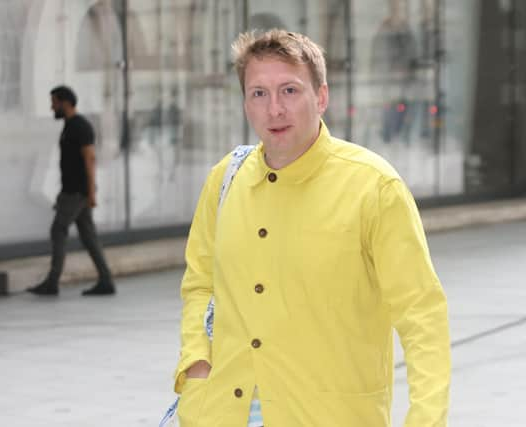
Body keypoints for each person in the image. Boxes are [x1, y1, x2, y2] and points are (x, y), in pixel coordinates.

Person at [174, 30, 450, 426]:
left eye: (289, 90)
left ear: (321, 97)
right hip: (223, 411)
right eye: (259, 94)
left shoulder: (373, 187)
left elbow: (421, 313)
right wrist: (196, 360)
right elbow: (200, 282)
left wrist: (426, 419)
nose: (274, 110)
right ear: (245, 104)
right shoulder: (225, 179)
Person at [27, 86, 115, 296]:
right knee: (88, 236)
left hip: (76, 193)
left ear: (65, 102)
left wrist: (91, 193)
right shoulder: (70, 126)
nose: (51, 107)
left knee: (58, 230)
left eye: (54, 102)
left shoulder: (80, 126)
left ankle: (52, 282)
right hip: (74, 192)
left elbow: (90, 158)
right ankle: (106, 280)